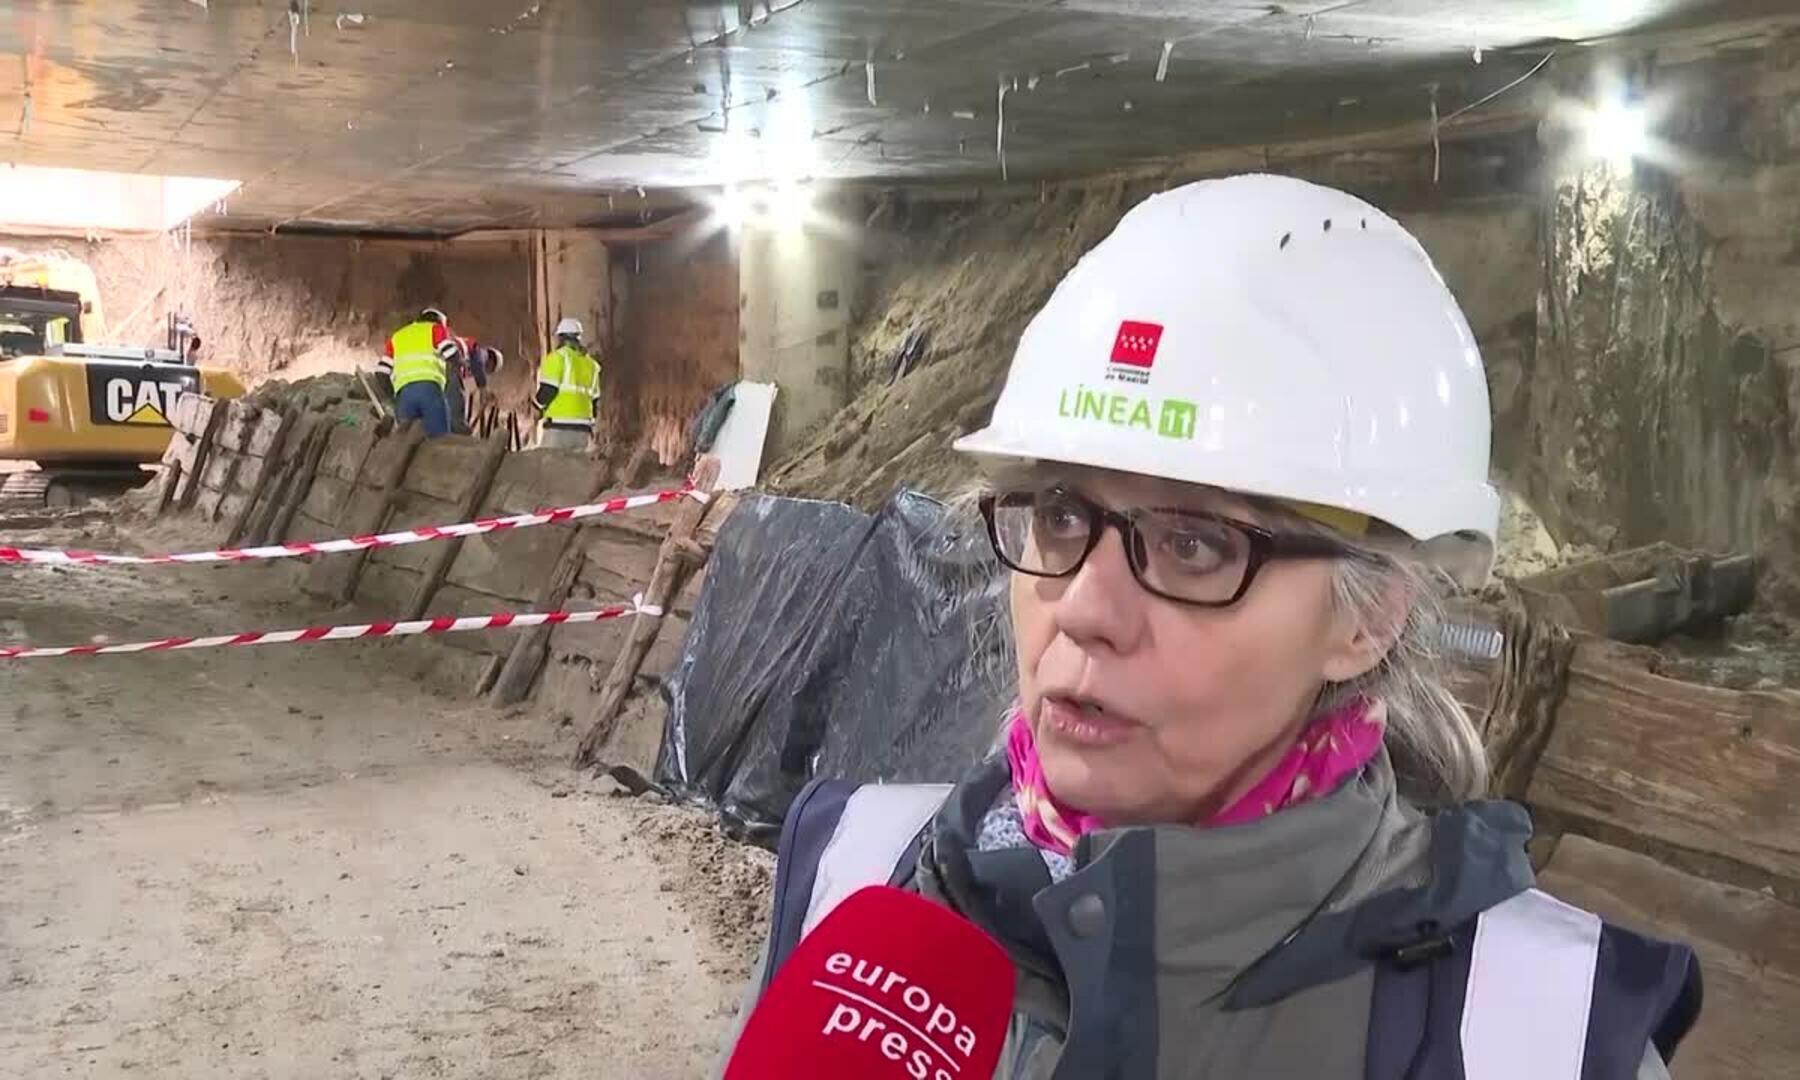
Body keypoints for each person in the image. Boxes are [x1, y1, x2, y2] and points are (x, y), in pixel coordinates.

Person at [722, 176, 1702, 1079]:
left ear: (1369, 619)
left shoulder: (1536, 1038)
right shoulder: (857, 883)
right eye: (1061, 517)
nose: (1087, 611)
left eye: (1197, 545)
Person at [375, 307, 463, 437]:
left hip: (404, 395)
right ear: (439, 322)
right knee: (438, 440)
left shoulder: (397, 336)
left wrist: (393, 397)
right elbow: (451, 353)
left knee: (404, 439)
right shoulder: (435, 328)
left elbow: (381, 373)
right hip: (430, 391)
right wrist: (458, 366)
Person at [533, 317, 601, 451]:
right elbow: (594, 401)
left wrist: (537, 406)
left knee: (548, 469)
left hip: (558, 427)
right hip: (583, 431)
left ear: (561, 338)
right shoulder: (592, 365)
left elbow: (548, 391)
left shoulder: (558, 357)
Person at [446, 335, 498, 436]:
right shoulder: (481, 353)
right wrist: (483, 388)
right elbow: (478, 362)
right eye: (490, 368)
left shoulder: (466, 366)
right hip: (448, 360)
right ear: (491, 360)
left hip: (440, 363)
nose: (486, 371)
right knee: (456, 399)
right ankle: (458, 431)